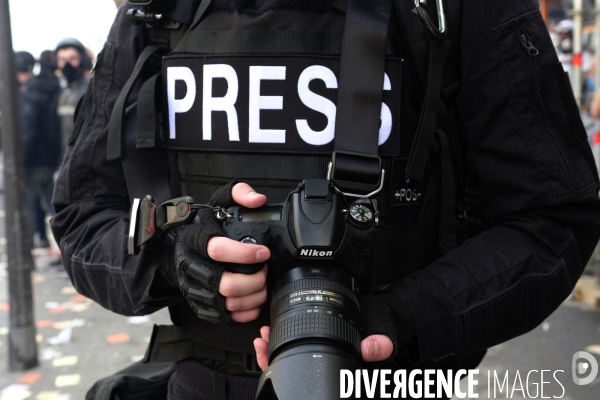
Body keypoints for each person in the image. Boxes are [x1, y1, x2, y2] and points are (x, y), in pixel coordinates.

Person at [51, 1, 600, 399]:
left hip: (393, 382)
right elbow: (81, 217)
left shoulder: (445, 9)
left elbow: (554, 218)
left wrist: (405, 315)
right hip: (203, 377)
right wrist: (174, 258)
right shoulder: (156, 11)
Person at [16, 50, 62, 249]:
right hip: (51, 155)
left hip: (35, 157)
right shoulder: (52, 86)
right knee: (52, 204)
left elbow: (28, 127)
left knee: (31, 204)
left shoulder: (30, 91)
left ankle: (33, 245)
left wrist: (21, 159)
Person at [55, 38, 91, 157]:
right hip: (64, 158)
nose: (66, 64)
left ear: (82, 60)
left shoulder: (91, 88)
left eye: (72, 58)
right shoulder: (61, 91)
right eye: (62, 59)